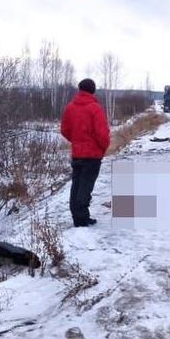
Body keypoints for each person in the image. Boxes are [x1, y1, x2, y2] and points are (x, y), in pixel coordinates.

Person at [60, 78, 111, 227]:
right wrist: (103, 147)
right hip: (92, 155)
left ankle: (78, 216)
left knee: (76, 186)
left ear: (79, 89)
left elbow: (65, 130)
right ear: (93, 90)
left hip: (77, 154)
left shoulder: (70, 107)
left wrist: (76, 140)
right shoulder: (95, 108)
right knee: (85, 187)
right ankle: (82, 219)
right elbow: (102, 134)